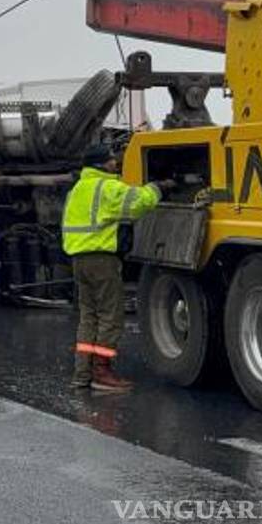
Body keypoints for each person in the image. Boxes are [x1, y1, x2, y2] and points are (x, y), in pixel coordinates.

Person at [62, 144, 171, 392]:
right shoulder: (107, 187)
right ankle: (102, 373)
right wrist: (158, 187)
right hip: (102, 260)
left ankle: (82, 374)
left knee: (88, 317)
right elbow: (138, 203)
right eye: (111, 159)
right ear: (100, 164)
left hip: (79, 260)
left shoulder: (77, 189)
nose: (115, 163)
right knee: (110, 316)